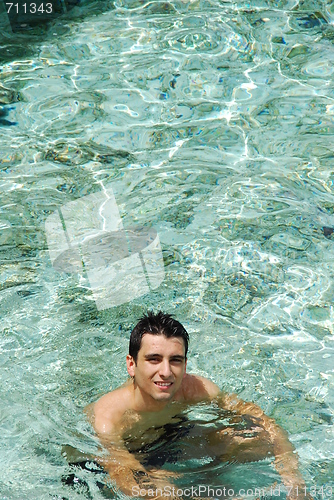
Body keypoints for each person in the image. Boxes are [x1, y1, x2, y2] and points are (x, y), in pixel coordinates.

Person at [86, 311, 312, 499]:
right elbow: (124, 473)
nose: (165, 372)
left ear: (185, 365)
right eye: (154, 359)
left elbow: (262, 420)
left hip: (173, 436)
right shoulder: (109, 416)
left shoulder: (194, 389)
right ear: (131, 364)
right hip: (134, 454)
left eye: (175, 360)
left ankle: (209, 480)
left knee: (253, 441)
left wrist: (291, 475)